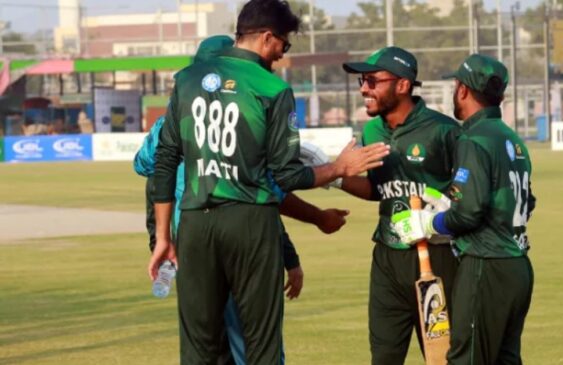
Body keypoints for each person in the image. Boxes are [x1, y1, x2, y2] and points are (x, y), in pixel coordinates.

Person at [148, 1, 389, 364]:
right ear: (266, 38)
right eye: (283, 45)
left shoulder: (187, 80)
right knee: (261, 343)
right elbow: (286, 174)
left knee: (198, 346)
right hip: (250, 223)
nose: (281, 55)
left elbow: (164, 160)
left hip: (195, 223)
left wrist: (164, 237)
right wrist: (339, 168)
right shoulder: (271, 89)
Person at [392, 54, 536, 365]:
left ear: (462, 90)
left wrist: (429, 223)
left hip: (487, 266)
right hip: (518, 266)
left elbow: (468, 213)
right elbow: (527, 202)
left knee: (465, 359)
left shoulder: (473, 139)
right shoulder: (513, 139)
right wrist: (451, 204)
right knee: (505, 359)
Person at [339, 46, 461, 365]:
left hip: (437, 256)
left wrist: (443, 212)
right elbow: (378, 190)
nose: (364, 88)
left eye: (372, 80)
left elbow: (468, 194)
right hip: (387, 257)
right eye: (361, 81)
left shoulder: (443, 131)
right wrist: (335, 175)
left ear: (403, 85)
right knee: (383, 357)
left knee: (443, 357)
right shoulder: (372, 130)